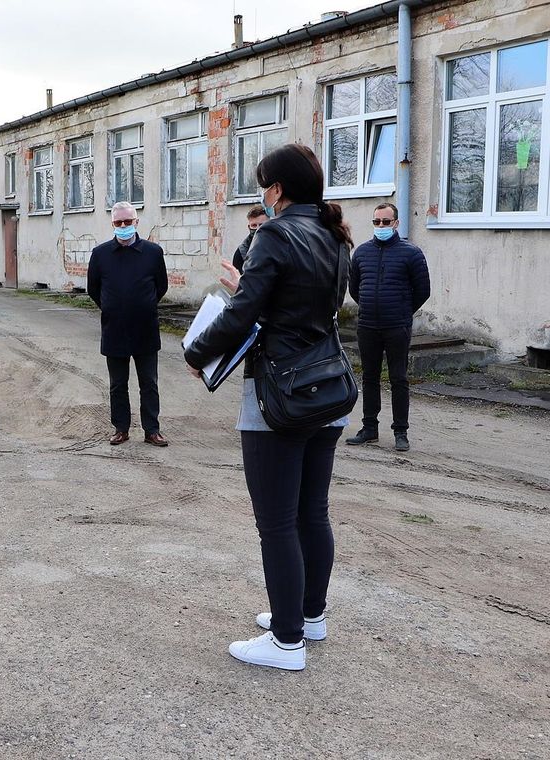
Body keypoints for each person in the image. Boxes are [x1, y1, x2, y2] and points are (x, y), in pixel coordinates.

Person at [184, 143, 353, 671]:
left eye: (263, 184)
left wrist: (196, 351)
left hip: (278, 394)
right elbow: (305, 306)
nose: (262, 193)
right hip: (328, 388)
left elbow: (244, 318)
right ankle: (309, 616)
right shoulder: (336, 234)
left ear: (276, 190)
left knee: (276, 521)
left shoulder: (273, 234)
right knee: (312, 512)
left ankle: (285, 642)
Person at [345, 202, 431, 452]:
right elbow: (355, 287)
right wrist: (372, 306)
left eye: (385, 222)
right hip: (368, 325)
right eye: (376, 222)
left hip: (397, 326)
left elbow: (423, 291)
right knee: (369, 377)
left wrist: (402, 311)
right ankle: (369, 427)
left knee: (398, 378)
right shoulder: (361, 253)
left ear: (396, 223)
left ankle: (400, 431)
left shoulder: (411, 253)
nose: (381, 226)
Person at [87, 201, 169, 447]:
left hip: (145, 329)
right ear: (112, 224)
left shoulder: (153, 253)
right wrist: (113, 307)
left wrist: (143, 304)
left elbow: (161, 285)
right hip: (114, 329)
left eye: (127, 222)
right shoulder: (100, 254)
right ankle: (120, 428)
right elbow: (93, 290)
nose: (123, 226)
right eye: (118, 223)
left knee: (149, 383)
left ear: (136, 222)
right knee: (118, 384)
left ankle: (151, 430)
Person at [231, 206, 269, 271]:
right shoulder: (241, 253)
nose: (258, 229)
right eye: (254, 225)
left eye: (261, 225)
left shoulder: (281, 244)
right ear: (249, 227)